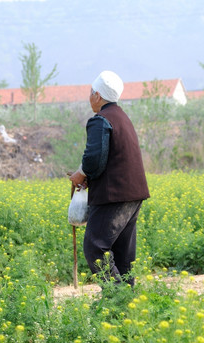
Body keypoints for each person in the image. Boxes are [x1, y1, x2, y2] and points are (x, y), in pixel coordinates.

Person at [69, 70, 150, 287]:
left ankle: (116, 297)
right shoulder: (122, 117)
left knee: (95, 247)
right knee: (122, 253)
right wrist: (89, 175)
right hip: (133, 193)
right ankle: (125, 307)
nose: (89, 97)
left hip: (113, 195)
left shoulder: (100, 120)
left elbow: (94, 159)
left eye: (90, 92)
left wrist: (81, 174)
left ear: (97, 95)